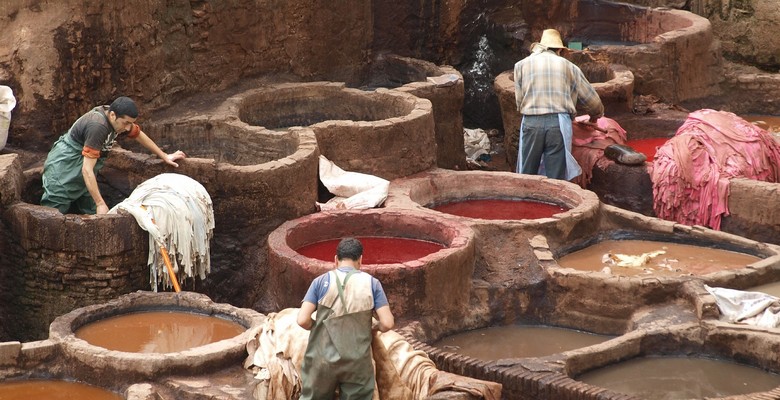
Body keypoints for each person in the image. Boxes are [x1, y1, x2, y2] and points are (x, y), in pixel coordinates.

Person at [41, 96, 186, 215]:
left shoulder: (116, 118)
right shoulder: (98, 127)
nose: (128, 128)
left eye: (131, 123)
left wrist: (164, 156)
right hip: (65, 166)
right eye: (126, 123)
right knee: (54, 211)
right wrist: (100, 203)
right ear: (112, 115)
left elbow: (138, 134)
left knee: (91, 210)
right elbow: (87, 170)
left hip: (83, 169)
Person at [296, 237, 395, 400]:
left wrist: (318, 327)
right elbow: (387, 323)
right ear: (360, 260)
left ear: (335, 260)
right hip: (357, 363)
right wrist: (374, 327)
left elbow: (302, 319)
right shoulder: (372, 284)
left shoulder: (320, 282)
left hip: (321, 361)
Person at [513, 28, 604, 181]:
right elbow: (592, 101)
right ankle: (553, 204)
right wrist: (595, 117)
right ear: (560, 50)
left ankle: (525, 201)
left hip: (531, 121)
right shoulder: (570, 67)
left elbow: (519, 102)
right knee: (555, 179)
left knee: (526, 175)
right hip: (558, 124)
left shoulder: (520, 65)